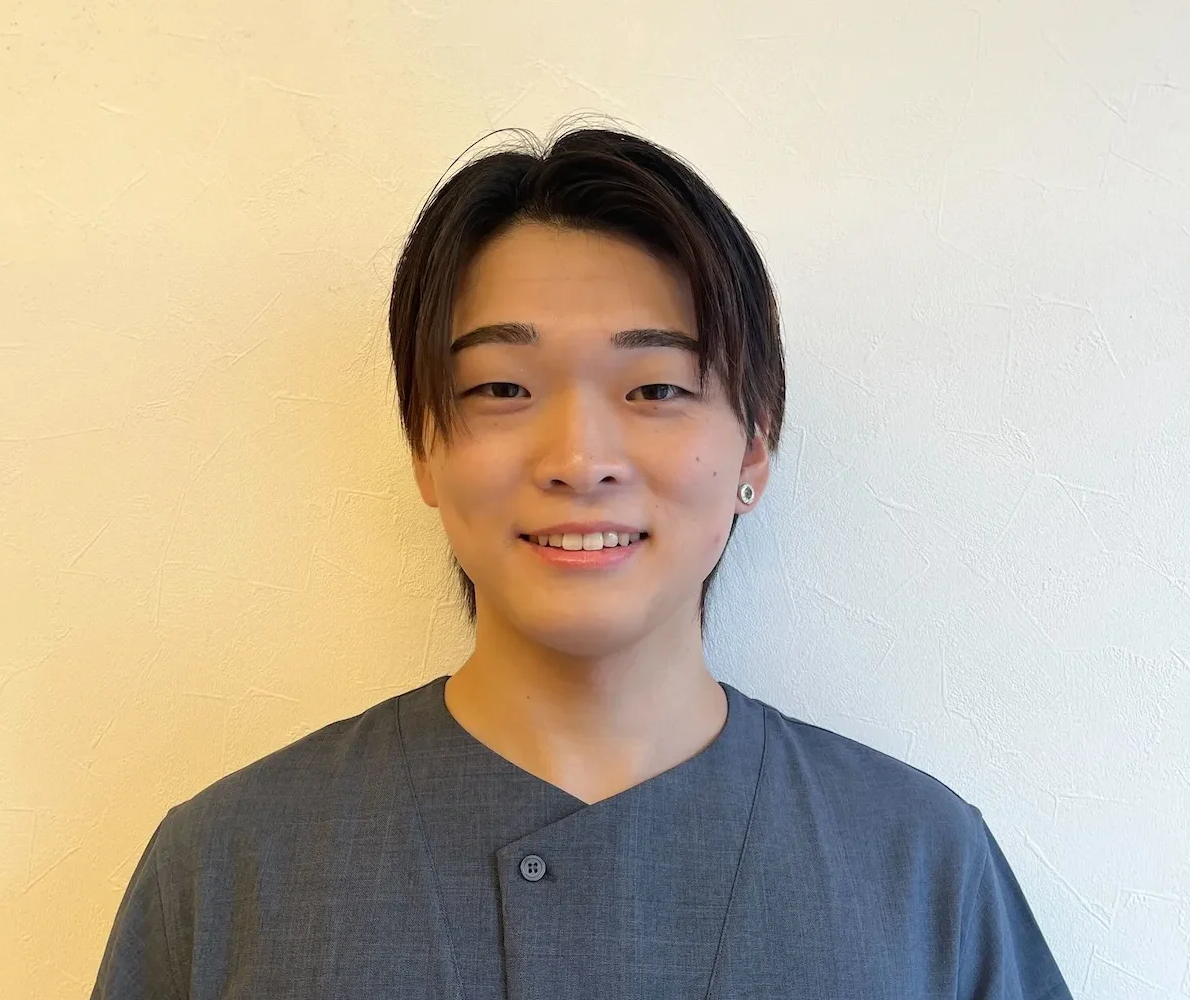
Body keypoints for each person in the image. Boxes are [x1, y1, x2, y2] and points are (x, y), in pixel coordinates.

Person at [90, 124, 1074, 999]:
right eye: (502, 388)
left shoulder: (920, 867)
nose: (578, 459)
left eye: (655, 388)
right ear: (425, 446)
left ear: (754, 447)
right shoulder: (228, 868)